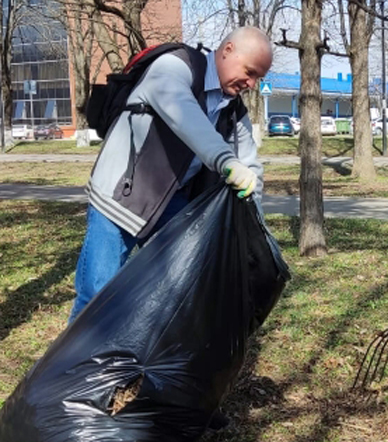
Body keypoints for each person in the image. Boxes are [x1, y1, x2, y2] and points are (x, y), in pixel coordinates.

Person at [69, 27, 272, 324]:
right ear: (227, 50)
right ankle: (70, 370)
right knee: (97, 295)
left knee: (180, 290)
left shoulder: (232, 109)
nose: (251, 83)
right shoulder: (175, 66)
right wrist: (226, 161)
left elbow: (250, 166)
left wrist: (254, 227)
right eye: (250, 71)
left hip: (169, 202)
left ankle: (149, 363)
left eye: (258, 78)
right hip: (119, 195)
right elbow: (185, 115)